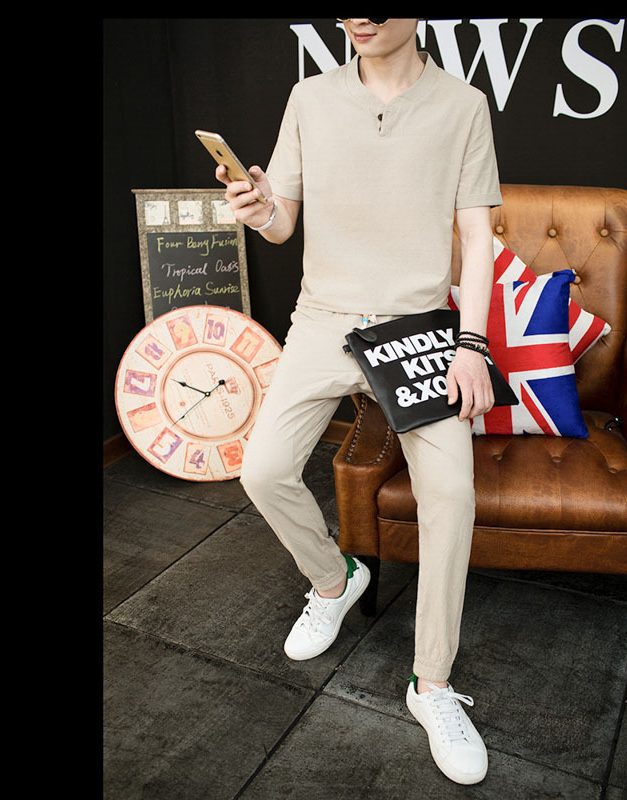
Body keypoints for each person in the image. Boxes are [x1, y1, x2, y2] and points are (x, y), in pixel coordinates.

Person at [216, 18, 501, 785]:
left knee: (452, 495)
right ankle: (335, 581)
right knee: (262, 469)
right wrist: (258, 207)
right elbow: (281, 225)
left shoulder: (463, 106)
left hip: (417, 329)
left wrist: (471, 344)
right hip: (323, 319)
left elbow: (478, 239)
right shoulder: (308, 98)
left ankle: (431, 684)